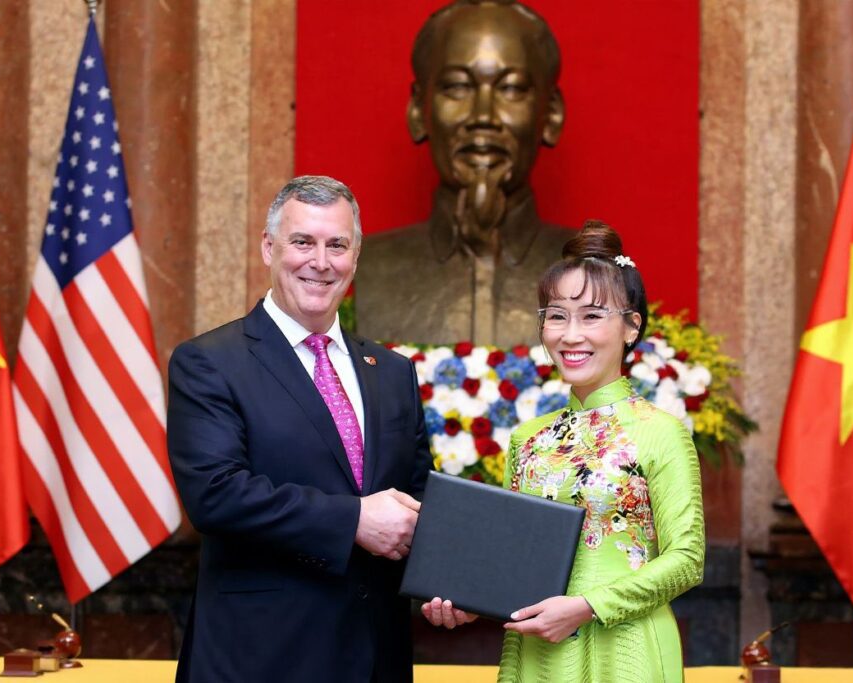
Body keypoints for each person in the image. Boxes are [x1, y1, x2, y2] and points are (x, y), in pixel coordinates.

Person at [167, 175, 433, 683]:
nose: (321, 261)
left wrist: (450, 580)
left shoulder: (392, 371)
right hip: (260, 657)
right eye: (303, 242)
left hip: (377, 657)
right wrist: (353, 519)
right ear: (269, 248)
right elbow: (215, 495)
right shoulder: (209, 363)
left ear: (356, 257)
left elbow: (418, 495)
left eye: (338, 245)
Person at [422, 220, 705, 682]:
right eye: (557, 316)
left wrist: (588, 606)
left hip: (624, 646)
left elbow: (687, 560)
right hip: (540, 650)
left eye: (591, 316)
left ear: (631, 326)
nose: (570, 335)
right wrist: (472, 600)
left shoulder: (661, 432)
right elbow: (515, 560)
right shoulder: (529, 438)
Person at [354, 0, 573, 346]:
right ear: (418, 110)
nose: (483, 116)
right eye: (457, 87)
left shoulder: (596, 272)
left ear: (551, 115)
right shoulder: (371, 265)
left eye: (511, 88)